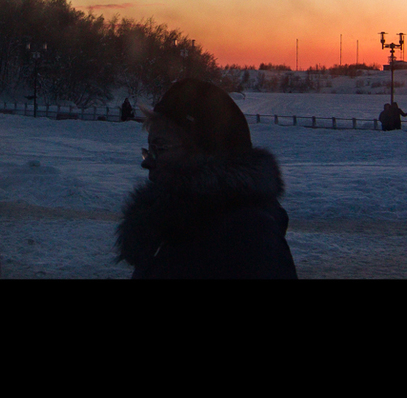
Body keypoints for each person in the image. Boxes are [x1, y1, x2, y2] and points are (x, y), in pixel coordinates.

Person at [115, 78, 297, 278]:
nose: (148, 162)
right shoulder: (174, 224)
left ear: (207, 155)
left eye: (160, 147)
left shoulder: (246, 239)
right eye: (149, 149)